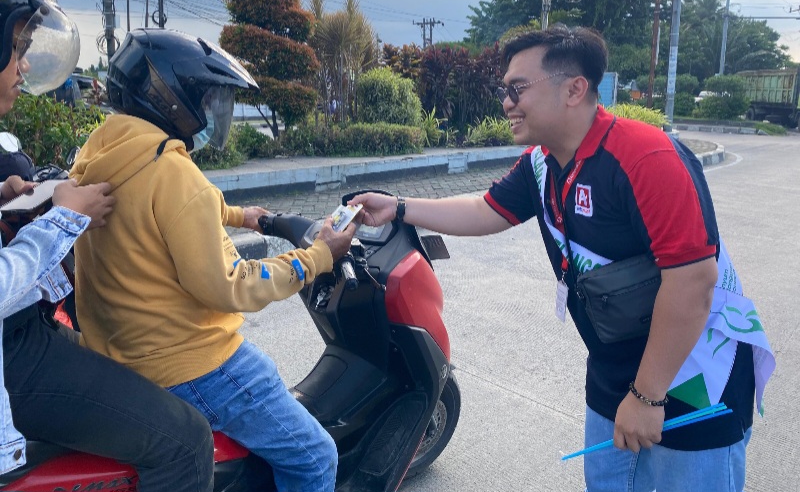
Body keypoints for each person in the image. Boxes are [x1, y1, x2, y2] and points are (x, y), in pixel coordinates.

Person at [350, 26, 774, 492]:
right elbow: (486, 210)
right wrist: (399, 207)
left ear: (574, 89)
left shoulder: (646, 156)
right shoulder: (541, 163)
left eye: (518, 88)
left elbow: (693, 283)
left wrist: (648, 397)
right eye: (503, 90)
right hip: (613, 373)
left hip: (694, 378)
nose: (506, 102)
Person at [71, 28, 357, 492]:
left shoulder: (102, 151)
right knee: (315, 456)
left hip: (124, 353)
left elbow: (161, 209)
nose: (210, 112)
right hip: (191, 364)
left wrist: (241, 215)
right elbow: (232, 285)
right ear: (171, 98)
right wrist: (317, 256)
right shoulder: (173, 173)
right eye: (206, 100)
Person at [0, 0, 215, 490]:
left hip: (26, 334)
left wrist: (10, 200)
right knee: (187, 441)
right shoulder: (165, 163)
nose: (24, 65)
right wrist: (61, 220)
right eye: (16, 46)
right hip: (12, 353)